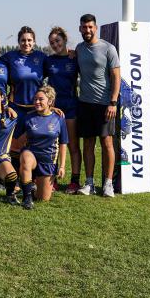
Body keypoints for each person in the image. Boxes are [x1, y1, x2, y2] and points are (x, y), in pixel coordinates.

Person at [74, 13, 121, 198]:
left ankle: (108, 184)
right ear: (80, 29)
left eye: (90, 27)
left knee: (107, 143)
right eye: (84, 27)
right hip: (85, 103)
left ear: (96, 27)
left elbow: (116, 76)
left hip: (105, 104)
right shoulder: (79, 49)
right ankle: (89, 183)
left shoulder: (108, 48)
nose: (87, 30)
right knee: (88, 144)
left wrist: (113, 102)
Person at [43, 27, 82, 194]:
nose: (55, 44)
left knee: (73, 144)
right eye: (52, 42)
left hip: (71, 105)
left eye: (57, 41)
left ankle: (74, 180)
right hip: (54, 108)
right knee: (54, 144)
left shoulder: (75, 58)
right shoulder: (48, 60)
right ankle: (53, 179)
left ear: (65, 40)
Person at [17, 86, 69, 209]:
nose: (37, 102)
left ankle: (33, 188)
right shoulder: (28, 117)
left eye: (41, 99)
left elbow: (63, 143)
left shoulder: (59, 117)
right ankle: (27, 198)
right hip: (32, 156)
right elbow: (17, 141)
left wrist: (62, 166)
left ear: (50, 101)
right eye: (35, 99)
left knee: (43, 198)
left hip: (48, 161)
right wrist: (26, 135)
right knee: (26, 157)